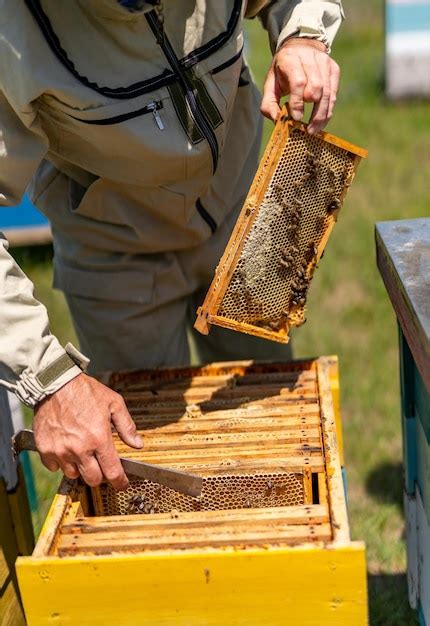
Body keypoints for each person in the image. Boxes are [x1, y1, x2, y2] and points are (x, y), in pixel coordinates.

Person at [0, 0, 343, 491]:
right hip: (116, 253)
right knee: (149, 478)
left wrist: (303, 34)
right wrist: (47, 377)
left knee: (275, 423)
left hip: (246, 215)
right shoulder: (12, 26)